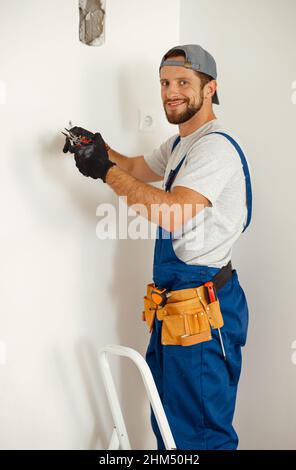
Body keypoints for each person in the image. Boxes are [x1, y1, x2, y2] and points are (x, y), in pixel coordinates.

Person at [62, 44, 252, 450]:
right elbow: (133, 167)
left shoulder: (213, 147)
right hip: (175, 309)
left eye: (183, 82)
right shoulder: (181, 144)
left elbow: (171, 213)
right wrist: (96, 147)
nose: (171, 92)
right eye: (165, 83)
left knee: (200, 436)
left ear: (210, 87)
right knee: (169, 426)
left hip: (202, 314)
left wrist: (104, 171)